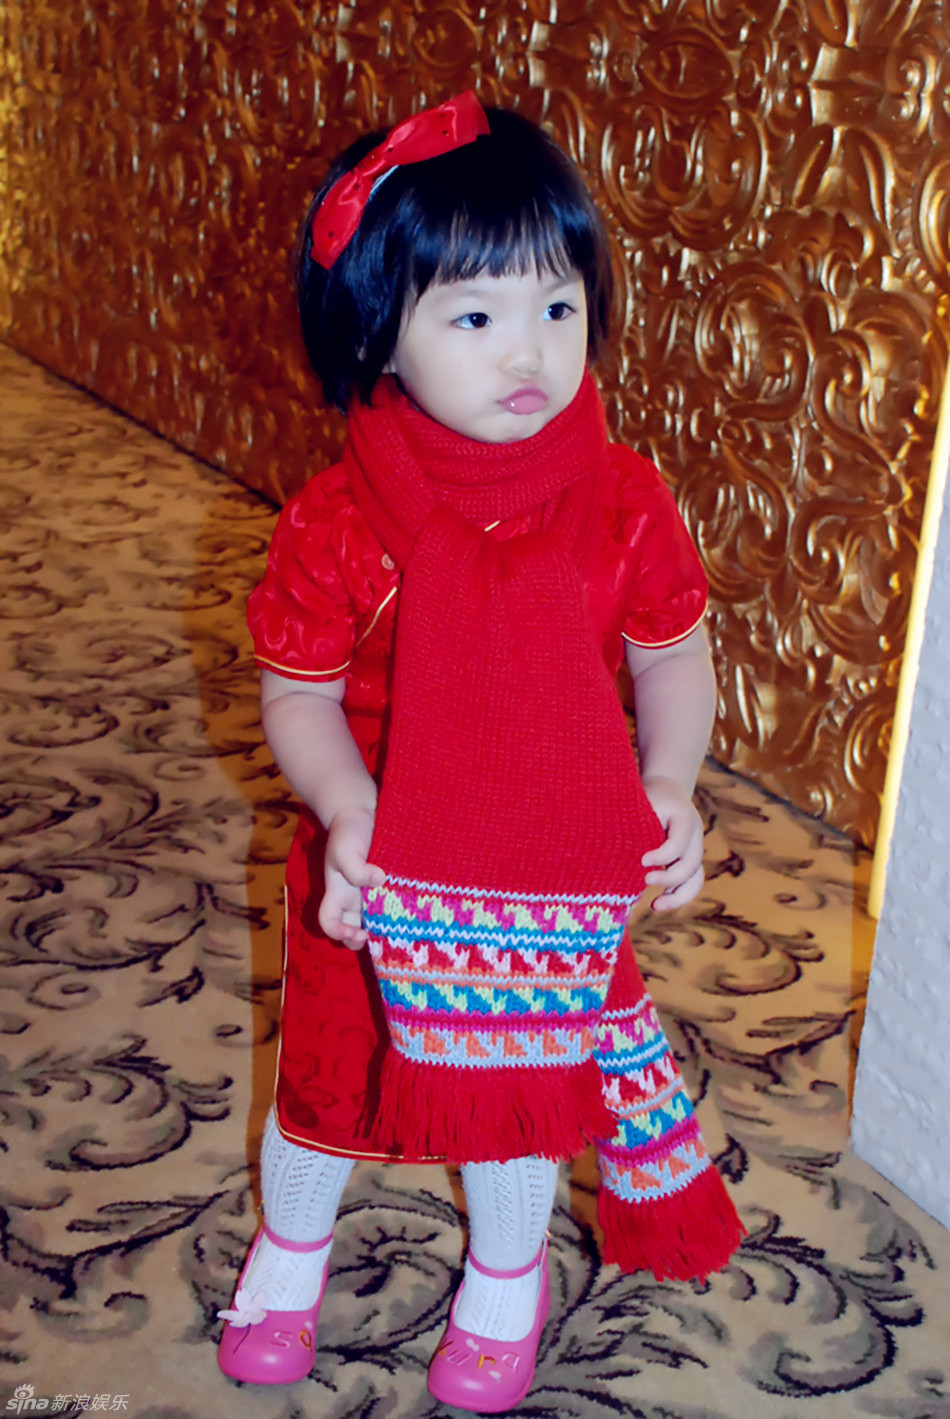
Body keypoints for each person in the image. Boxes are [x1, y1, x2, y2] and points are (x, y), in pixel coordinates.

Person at [218, 91, 744, 1412]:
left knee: (525, 1080)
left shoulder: (621, 501)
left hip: (549, 857)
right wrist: (347, 807)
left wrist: (667, 782)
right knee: (329, 1074)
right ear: (376, 334)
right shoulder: (340, 522)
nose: (530, 350)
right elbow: (298, 693)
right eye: (473, 316)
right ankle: (290, 1254)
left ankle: (505, 1282)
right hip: (375, 854)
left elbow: (671, 654)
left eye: (557, 305)